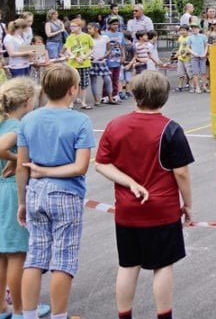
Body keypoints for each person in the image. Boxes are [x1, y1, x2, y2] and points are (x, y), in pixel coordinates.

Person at [94, 71, 194, 319]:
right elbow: (181, 172)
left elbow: (101, 164)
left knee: (128, 266)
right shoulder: (170, 129)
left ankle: (124, 315)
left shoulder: (114, 125)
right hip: (162, 209)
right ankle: (164, 315)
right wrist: (187, 203)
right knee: (162, 267)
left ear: (135, 95)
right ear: (164, 97)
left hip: (127, 210)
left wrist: (129, 183)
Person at [16, 64, 95, 319]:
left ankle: (28, 314)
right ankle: (59, 315)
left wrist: (22, 202)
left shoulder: (29, 119)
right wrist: (48, 171)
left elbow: (22, 166)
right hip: (66, 194)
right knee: (63, 258)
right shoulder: (80, 120)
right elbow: (80, 167)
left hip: (35, 192)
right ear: (73, 90)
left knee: (35, 256)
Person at [0, 79, 51, 319]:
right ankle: (20, 308)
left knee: (2, 253)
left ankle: (2, 306)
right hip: (10, 191)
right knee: (17, 254)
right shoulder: (15, 127)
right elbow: (1, 147)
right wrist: (16, 159)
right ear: (27, 102)